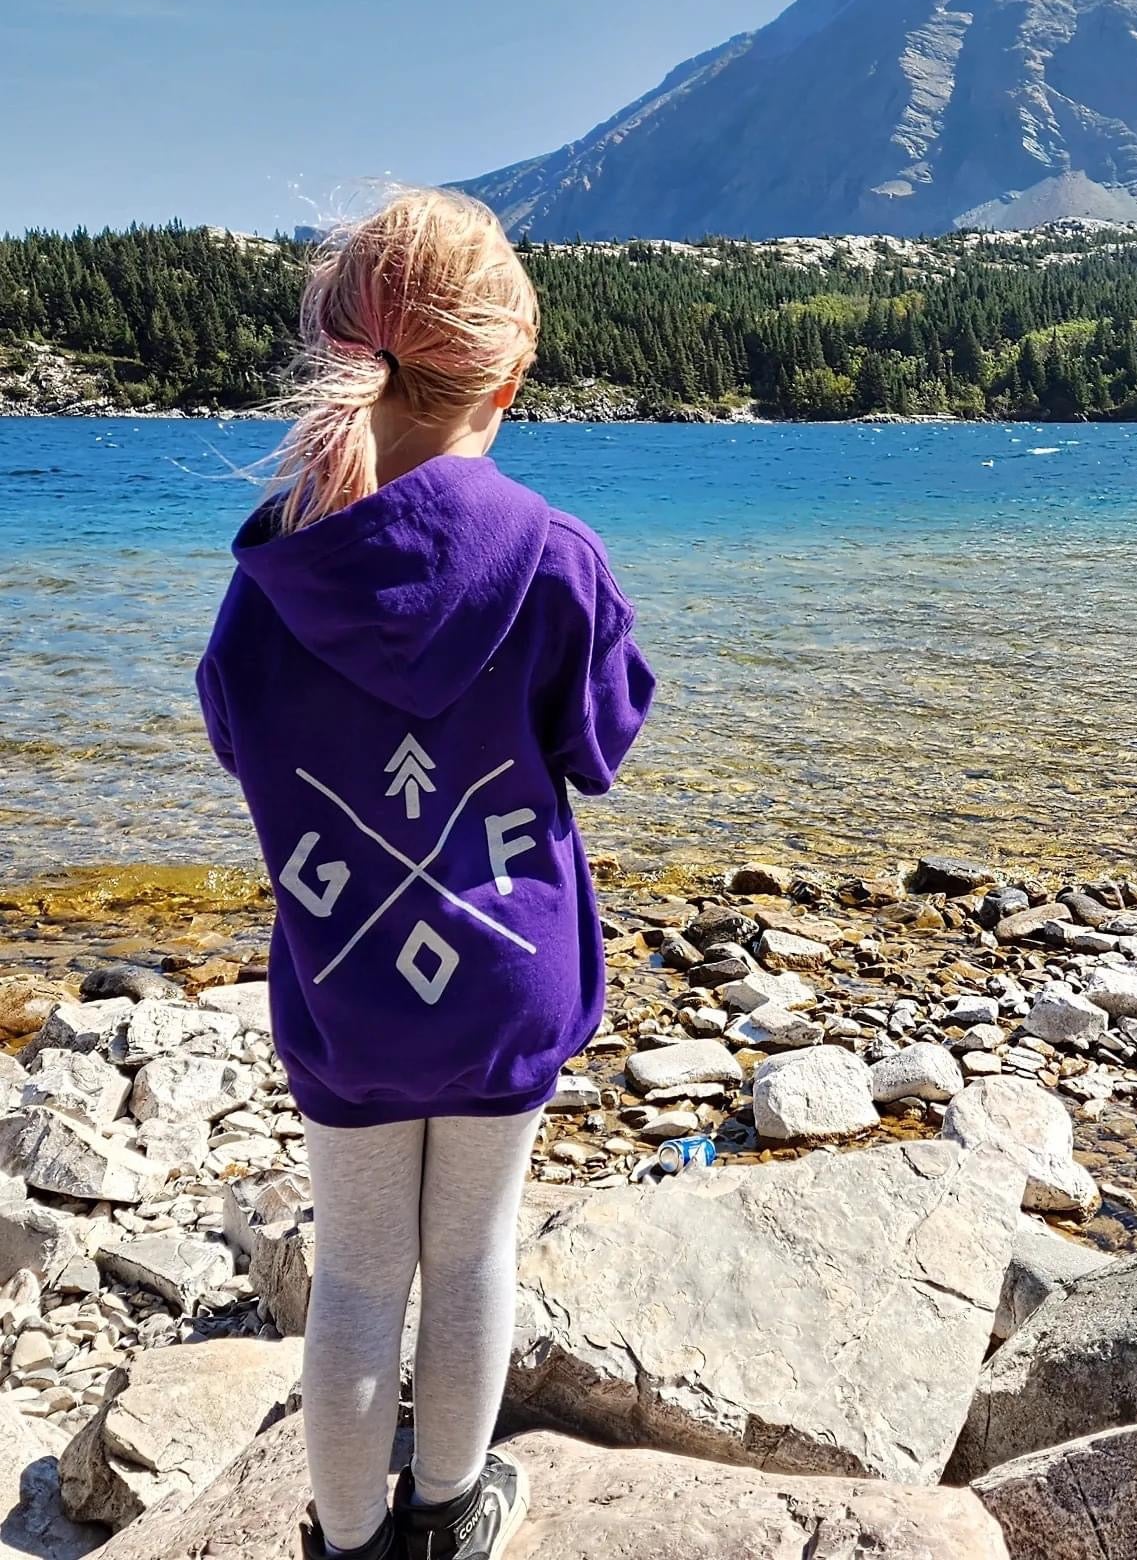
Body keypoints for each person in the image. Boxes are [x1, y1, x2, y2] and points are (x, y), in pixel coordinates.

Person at [196, 188, 655, 1560]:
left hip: (346, 981)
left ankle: (342, 1545)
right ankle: (449, 1518)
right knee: (469, 1256)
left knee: (352, 1277)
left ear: (337, 352)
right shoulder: (556, 560)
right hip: (505, 976)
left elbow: (237, 735)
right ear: (508, 378)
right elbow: (604, 734)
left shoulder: (270, 580)